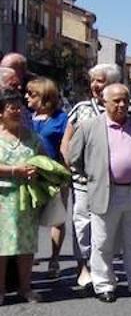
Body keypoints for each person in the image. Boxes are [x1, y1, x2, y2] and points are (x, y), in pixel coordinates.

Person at [66, 83, 131, 303]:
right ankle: (104, 284)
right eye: (116, 100)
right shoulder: (89, 127)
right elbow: (74, 158)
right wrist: (94, 177)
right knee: (103, 241)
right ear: (104, 102)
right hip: (107, 192)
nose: (122, 104)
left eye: (125, 99)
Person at [62, 63, 122, 295]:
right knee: (83, 224)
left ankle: (104, 269)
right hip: (84, 181)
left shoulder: (127, 108)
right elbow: (66, 143)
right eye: (94, 81)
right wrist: (72, 167)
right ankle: (83, 267)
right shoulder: (81, 109)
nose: (95, 86)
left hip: (115, 182)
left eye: (101, 81)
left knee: (109, 226)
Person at [0, 90, 47, 303]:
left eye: (20, 107)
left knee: (26, 244)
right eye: (12, 108)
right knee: (2, 246)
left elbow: (44, 160)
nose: (18, 111)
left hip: (26, 197)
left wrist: (39, 170)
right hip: (3, 197)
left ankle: (25, 287)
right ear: (1, 112)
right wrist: (14, 171)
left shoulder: (31, 137)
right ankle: (0, 289)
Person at [27, 78, 69, 279]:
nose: (27, 97)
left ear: (44, 97)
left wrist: (66, 175)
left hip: (54, 175)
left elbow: (67, 148)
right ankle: (28, 259)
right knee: (28, 219)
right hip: (28, 175)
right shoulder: (26, 117)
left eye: (31, 94)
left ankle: (54, 260)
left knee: (56, 218)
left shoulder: (62, 119)